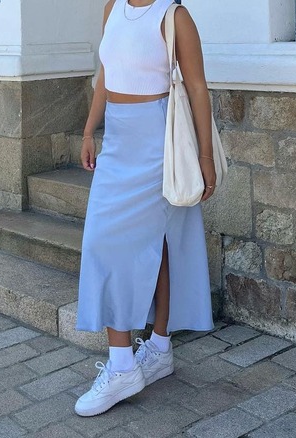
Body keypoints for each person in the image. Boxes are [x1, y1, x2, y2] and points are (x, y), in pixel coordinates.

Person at [74, 0, 216, 417]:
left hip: (158, 143)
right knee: (115, 242)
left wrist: (205, 159)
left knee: (143, 242)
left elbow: (197, 88)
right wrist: (88, 129)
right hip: (118, 139)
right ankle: (157, 348)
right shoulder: (112, 9)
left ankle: (125, 365)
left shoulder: (174, 17)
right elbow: (106, 76)